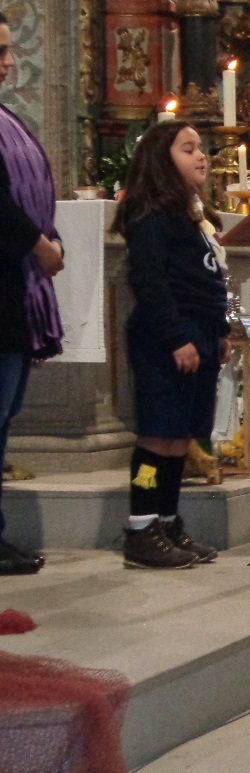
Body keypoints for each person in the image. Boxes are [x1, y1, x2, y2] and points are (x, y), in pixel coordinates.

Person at [111, 120, 229, 569]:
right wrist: (177, 336)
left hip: (198, 332)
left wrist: (218, 332)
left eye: (201, 148)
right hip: (166, 336)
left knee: (180, 439)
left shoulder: (190, 215)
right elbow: (151, 280)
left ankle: (166, 519)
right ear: (162, 161)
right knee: (157, 438)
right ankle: (141, 526)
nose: (201, 156)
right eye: (188, 148)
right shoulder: (151, 213)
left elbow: (203, 279)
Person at [0, 10, 64, 575]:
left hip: (13, 295)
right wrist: (38, 245)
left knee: (3, 419)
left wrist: (51, 237)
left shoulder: (7, 121)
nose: (8, 61)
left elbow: (31, 193)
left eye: (8, 49)